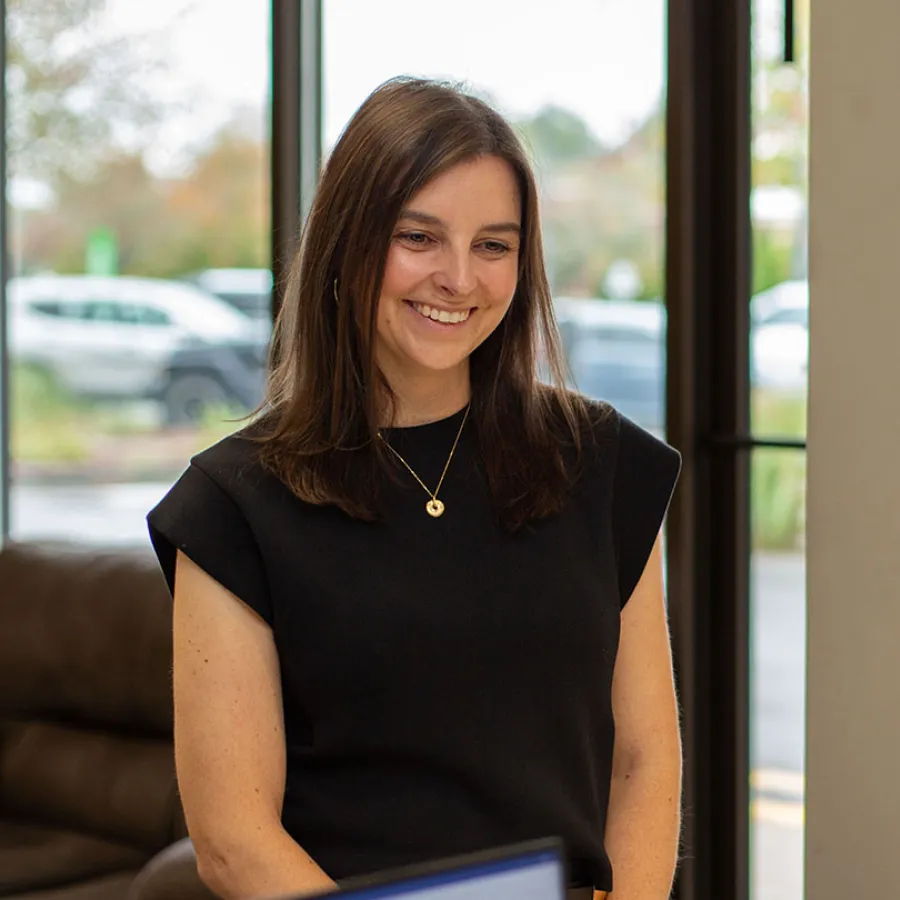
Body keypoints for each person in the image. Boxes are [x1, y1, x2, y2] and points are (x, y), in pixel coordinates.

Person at [147, 76, 682, 900]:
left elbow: (645, 760)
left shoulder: (600, 463)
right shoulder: (233, 505)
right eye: (419, 237)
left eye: (494, 246)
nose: (458, 279)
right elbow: (233, 841)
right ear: (348, 243)